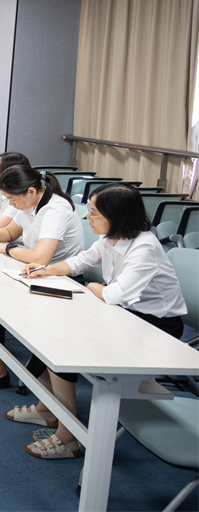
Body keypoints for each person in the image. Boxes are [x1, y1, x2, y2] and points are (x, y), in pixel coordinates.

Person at [16, 183, 186, 459]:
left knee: (64, 345)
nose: (89, 217)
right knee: (50, 333)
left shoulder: (145, 247)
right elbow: (80, 262)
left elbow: (113, 295)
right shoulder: (110, 238)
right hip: (125, 314)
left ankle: (68, 437)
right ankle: (48, 408)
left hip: (156, 326)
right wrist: (46, 270)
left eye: (94, 212)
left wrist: (93, 287)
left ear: (116, 216)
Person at [0, 166, 84, 389]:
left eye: (13, 199)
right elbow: (10, 232)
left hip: (60, 282)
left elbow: (41, 257)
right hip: (34, 273)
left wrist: (4, 248)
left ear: (31, 191)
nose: (12, 204)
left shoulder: (55, 210)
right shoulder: (29, 202)